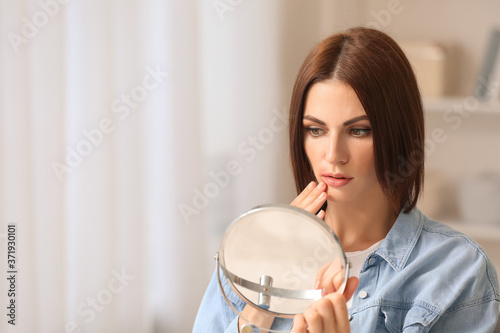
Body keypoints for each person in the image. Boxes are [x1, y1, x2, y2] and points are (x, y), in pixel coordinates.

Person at [193, 27, 500, 332]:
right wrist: (268, 291)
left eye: (358, 131)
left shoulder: (459, 270)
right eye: (316, 130)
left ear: (398, 133)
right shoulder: (250, 252)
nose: (333, 155)